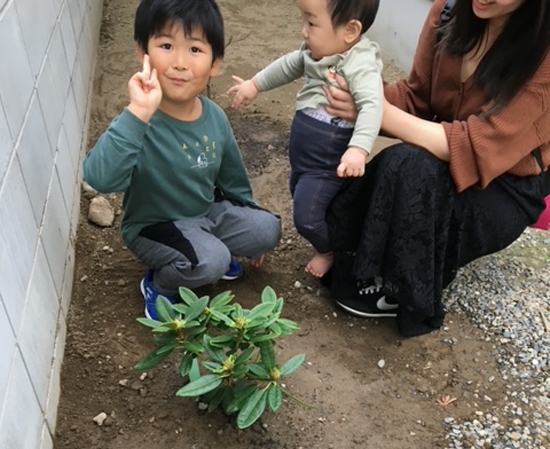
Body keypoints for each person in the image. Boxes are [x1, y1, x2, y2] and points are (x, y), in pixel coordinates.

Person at [322, 0, 550, 337]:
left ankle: (404, 294)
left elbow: (478, 144)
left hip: (503, 187)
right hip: (439, 156)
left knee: (408, 166)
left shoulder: (543, 55)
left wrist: (378, 113)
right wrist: (360, 93)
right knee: (391, 165)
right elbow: (418, 99)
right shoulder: (448, 12)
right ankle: (353, 256)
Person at [82, 0, 281, 321]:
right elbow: (99, 177)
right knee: (212, 261)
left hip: (205, 213)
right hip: (152, 226)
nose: (179, 62)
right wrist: (138, 113)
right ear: (142, 53)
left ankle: (207, 250)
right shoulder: (139, 120)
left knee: (267, 229)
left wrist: (249, 221)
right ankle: (160, 286)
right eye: (166, 45)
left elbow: (233, 181)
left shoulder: (214, 117)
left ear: (215, 63)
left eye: (195, 49)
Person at [227, 0, 383, 278]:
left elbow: (373, 105)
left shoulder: (360, 62)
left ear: (350, 30)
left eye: (311, 23)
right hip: (304, 157)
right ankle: (336, 235)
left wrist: (358, 149)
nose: (303, 31)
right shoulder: (317, 52)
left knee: (306, 218)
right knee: (304, 197)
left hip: (327, 160)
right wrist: (254, 84)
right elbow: (289, 65)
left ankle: (329, 251)